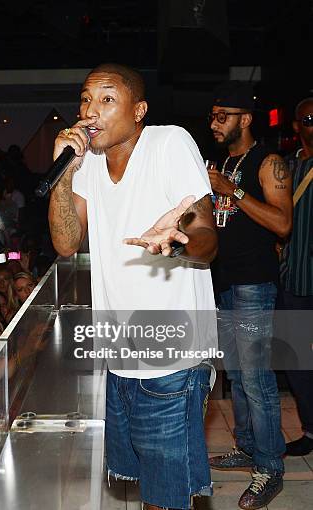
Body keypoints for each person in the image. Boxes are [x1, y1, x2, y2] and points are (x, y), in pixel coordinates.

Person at [48, 63, 217, 510]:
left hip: (172, 357)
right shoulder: (88, 164)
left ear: (138, 109)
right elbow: (66, 243)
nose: (90, 111)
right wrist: (65, 171)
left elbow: (208, 239)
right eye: (85, 99)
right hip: (121, 354)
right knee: (148, 488)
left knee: (167, 495)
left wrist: (178, 242)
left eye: (107, 99)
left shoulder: (169, 142)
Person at [207, 81, 292, 508]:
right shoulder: (223, 160)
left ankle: (271, 467)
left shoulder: (268, 161)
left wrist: (233, 191)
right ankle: (247, 446)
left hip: (254, 284)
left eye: (223, 115)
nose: (214, 122)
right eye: (212, 115)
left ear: (246, 118)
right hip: (224, 281)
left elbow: (282, 225)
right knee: (236, 376)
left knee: (257, 380)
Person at [280, 97, 313, 456]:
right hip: (295, 278)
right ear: (296, 126)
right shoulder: (287, 168)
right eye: (308, 119)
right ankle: (310, 429)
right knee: (298, 362)